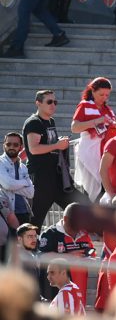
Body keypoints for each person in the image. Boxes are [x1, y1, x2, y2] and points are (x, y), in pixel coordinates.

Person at [23, 89, 81, 225]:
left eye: (55, 102)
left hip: (56, 177)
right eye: (49, 102)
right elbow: (34, 149)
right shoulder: (34, 122)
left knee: (81, 205)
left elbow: (49, 144)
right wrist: (57, 145)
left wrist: (59, 143)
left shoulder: (50, 121)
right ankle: (26, 245)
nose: (53, 105)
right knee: (34, 221)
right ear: (38, 103)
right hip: (40, 179)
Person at [70, 77, 116, 201]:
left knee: (103, 189)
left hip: (105, 152)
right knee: (92, 189)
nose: (104, 97)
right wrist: (97, 121)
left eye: (107, 95)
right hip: (90, 152)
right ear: (92, 91)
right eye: (101, 94)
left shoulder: (108, 109)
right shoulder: (85, 105)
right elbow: (75, 127)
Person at [0, 133, 34, 234]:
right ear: (4, 145)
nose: (11, 147)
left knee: (24, 247)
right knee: (9, 246)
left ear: (21, 147)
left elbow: (31, 193)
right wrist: (24, 183)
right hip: (7, 212)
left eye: (15, 145)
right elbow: (8, 185)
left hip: (24, 212)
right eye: (8, 144)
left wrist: (11, 185)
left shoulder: (23, 167)